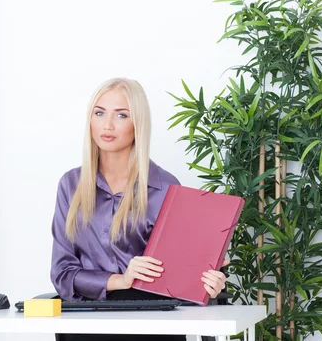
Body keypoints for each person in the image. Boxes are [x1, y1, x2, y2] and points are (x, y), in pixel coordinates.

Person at [50, 77, 229, 341]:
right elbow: (62, 273)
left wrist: (208, 285)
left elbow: (180, 276)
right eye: (99, 113)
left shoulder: (166, 187)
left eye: (121, 115)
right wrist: (121, 280)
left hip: (152, 323)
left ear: (138, 124)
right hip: (87, 321)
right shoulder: (71, 185)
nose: (107, 125)